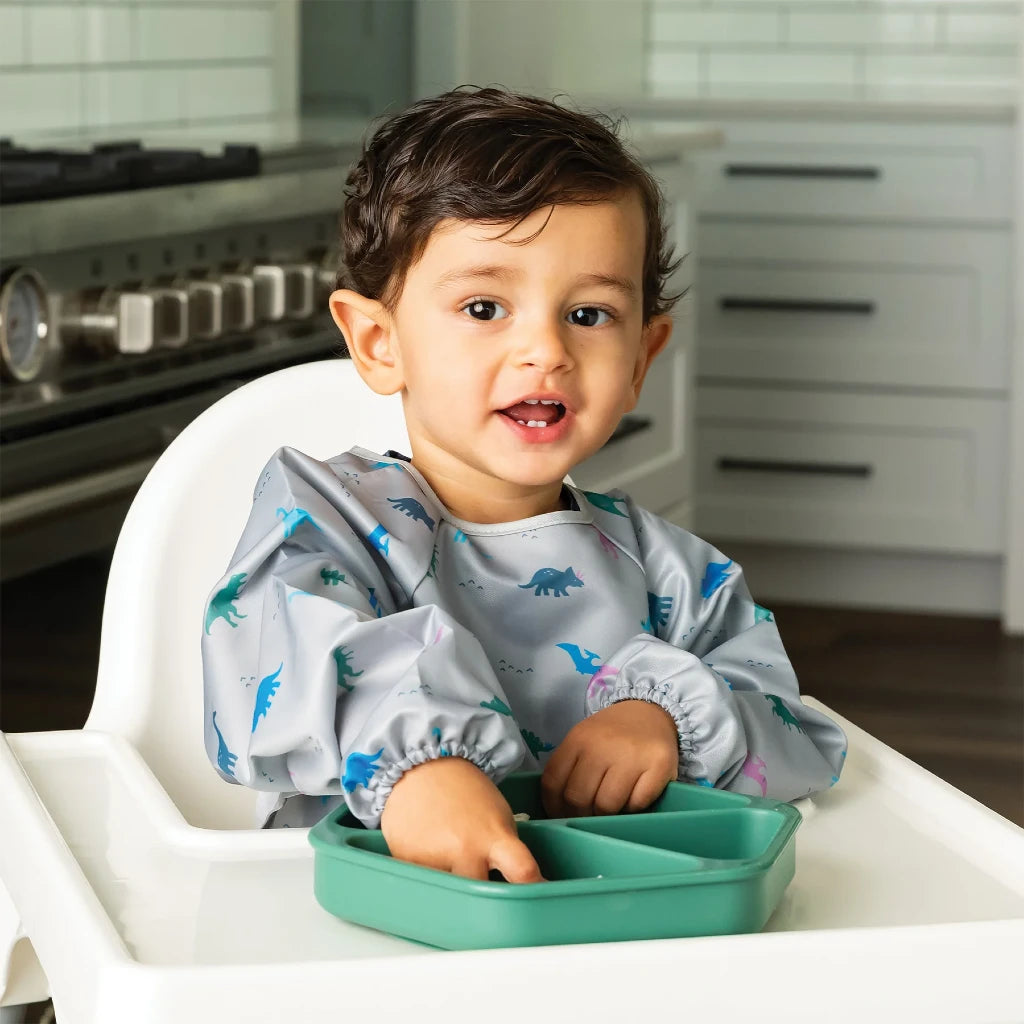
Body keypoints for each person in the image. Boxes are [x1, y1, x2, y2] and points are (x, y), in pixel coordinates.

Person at [201, 85, 847, 884]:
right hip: (365, 914)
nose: (546, 350)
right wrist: (422, 764)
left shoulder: (675, 575)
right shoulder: (323, 518)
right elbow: (272, 657)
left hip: (612, 922)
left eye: (589, 315)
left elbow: (793, 734)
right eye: (484, 307)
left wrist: (664, 718)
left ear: (642, 358)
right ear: (377, 341)